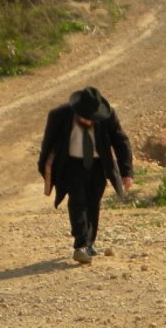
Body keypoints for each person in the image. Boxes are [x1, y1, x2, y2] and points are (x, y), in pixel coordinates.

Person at [37, 86, 133, 264]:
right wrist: (45, 170)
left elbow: (121, 141)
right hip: (71, 164)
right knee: (78, 200)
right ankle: (79, 245)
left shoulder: (108, 116)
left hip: (98, 165)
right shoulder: (59, 115)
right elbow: (47, 144)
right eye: (85, 117)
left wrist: (126, 172)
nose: (88, 121)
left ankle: (90, 242)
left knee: (92, 202)